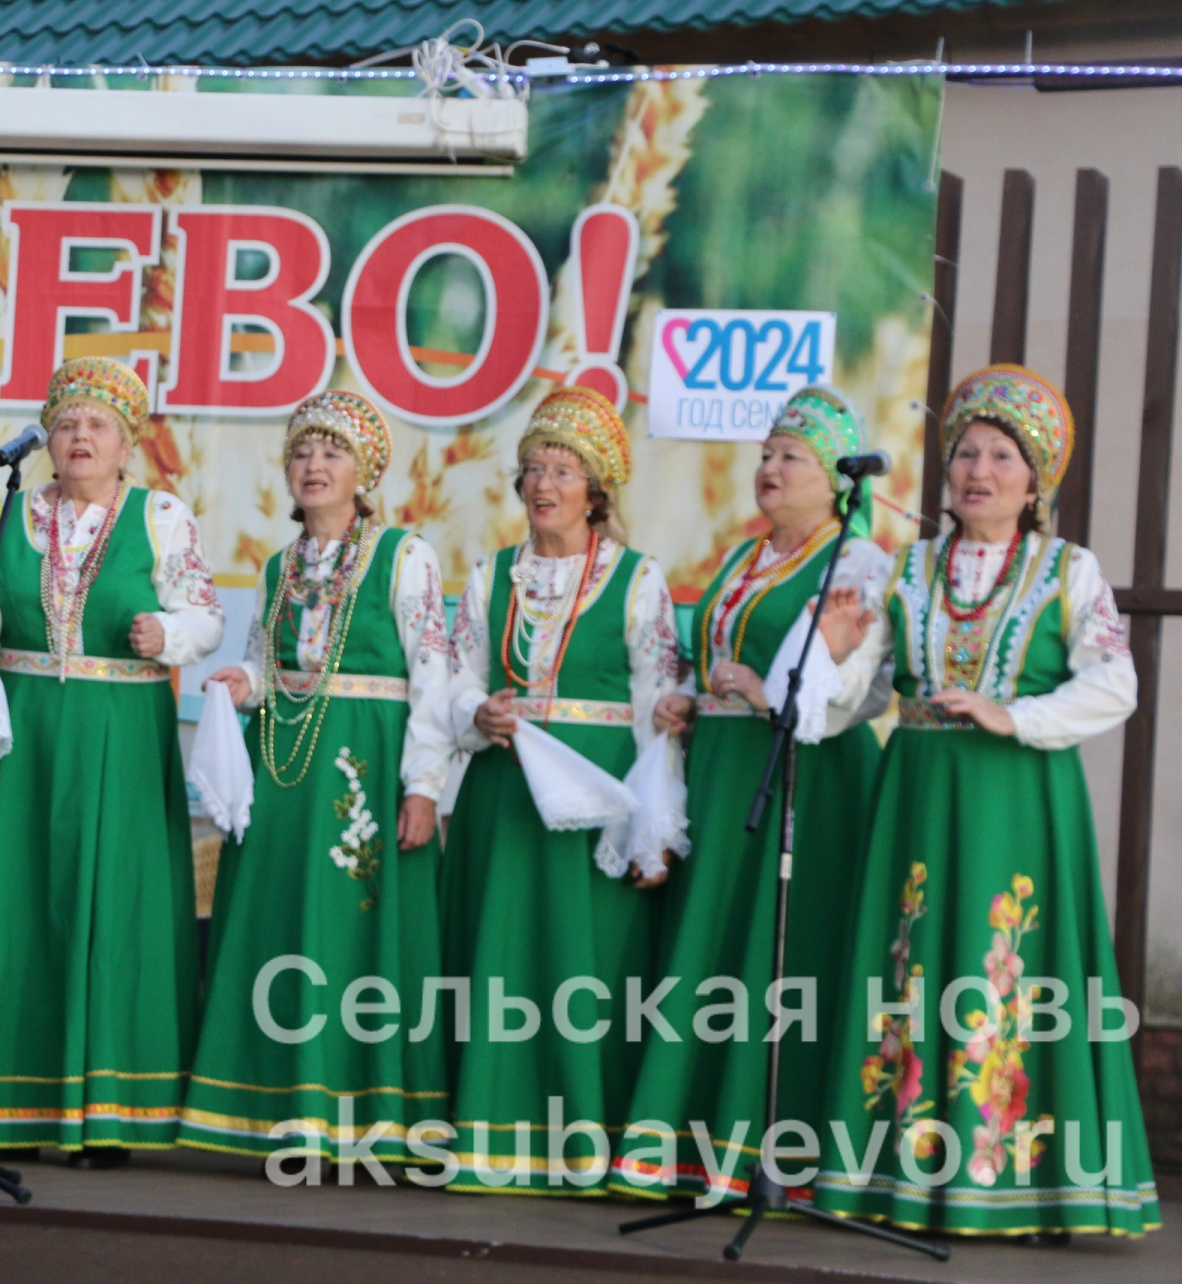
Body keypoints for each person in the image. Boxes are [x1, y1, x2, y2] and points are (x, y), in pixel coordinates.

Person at [813, 365, 1161, 1236]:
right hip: (921, 794)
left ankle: (1019, 1183)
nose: (977, 470)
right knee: (914, 964)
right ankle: (896, 1175)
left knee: (1008, 970)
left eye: (1001, 455)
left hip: (1018, 798)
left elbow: (1116, 684)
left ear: (1035, 478)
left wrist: (1017, 715)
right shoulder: (911, 566)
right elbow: (853, 698)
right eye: (964, 452)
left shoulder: (1068, 571)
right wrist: (832, 652)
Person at [0, 356, 224, 1167]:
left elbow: (203, 613)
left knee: (112, 910)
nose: (79, 437)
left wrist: (167, 636)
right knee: (15, 900)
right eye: (66, 425)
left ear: (127, 444)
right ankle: (1, 1102)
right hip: (23, 732)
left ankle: (107, 1115)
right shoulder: (12, 514)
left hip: (119, 729)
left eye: (97, 425)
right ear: (48, 440)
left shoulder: (161, 515)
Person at [611, 386, 892, 1201]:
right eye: (765, 453)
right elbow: (717, 664)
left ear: (838, 479)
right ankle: (700, 1148)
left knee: (786, 957)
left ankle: (787, 1158)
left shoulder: (860, 562)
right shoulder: (743, 558)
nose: (769, 468)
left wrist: (767, 694)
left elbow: (856, 689)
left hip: (812, 778)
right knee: (718, 952)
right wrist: (691, 699)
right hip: (729, 769)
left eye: (790, 457)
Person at [178, 391, 452, 1164]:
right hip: (285, 767)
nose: (313, 466)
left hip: (362, 768)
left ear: (363, 470)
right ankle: (269, 1106)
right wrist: (243, 683)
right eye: (301, 452)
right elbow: (272, 663)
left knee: (356, 932)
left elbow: (434, 675)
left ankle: (367, 1115)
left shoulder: (406, 556)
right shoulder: (281, 564)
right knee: (277, 923)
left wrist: (424, 785)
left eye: (332, 452)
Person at [444, 386, 682, 1193]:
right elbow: (451, 683)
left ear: (598, 490)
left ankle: (588, 1139)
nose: (543, 484)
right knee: (499, 963)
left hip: (596, 802)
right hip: (502, 798)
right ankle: (489, 1137)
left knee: (588, 969)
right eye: (534, 469)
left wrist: (655, 829)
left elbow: (656, 707)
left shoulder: (640, 580)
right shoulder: (489, 577)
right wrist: (477, 712)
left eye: (564, 470)